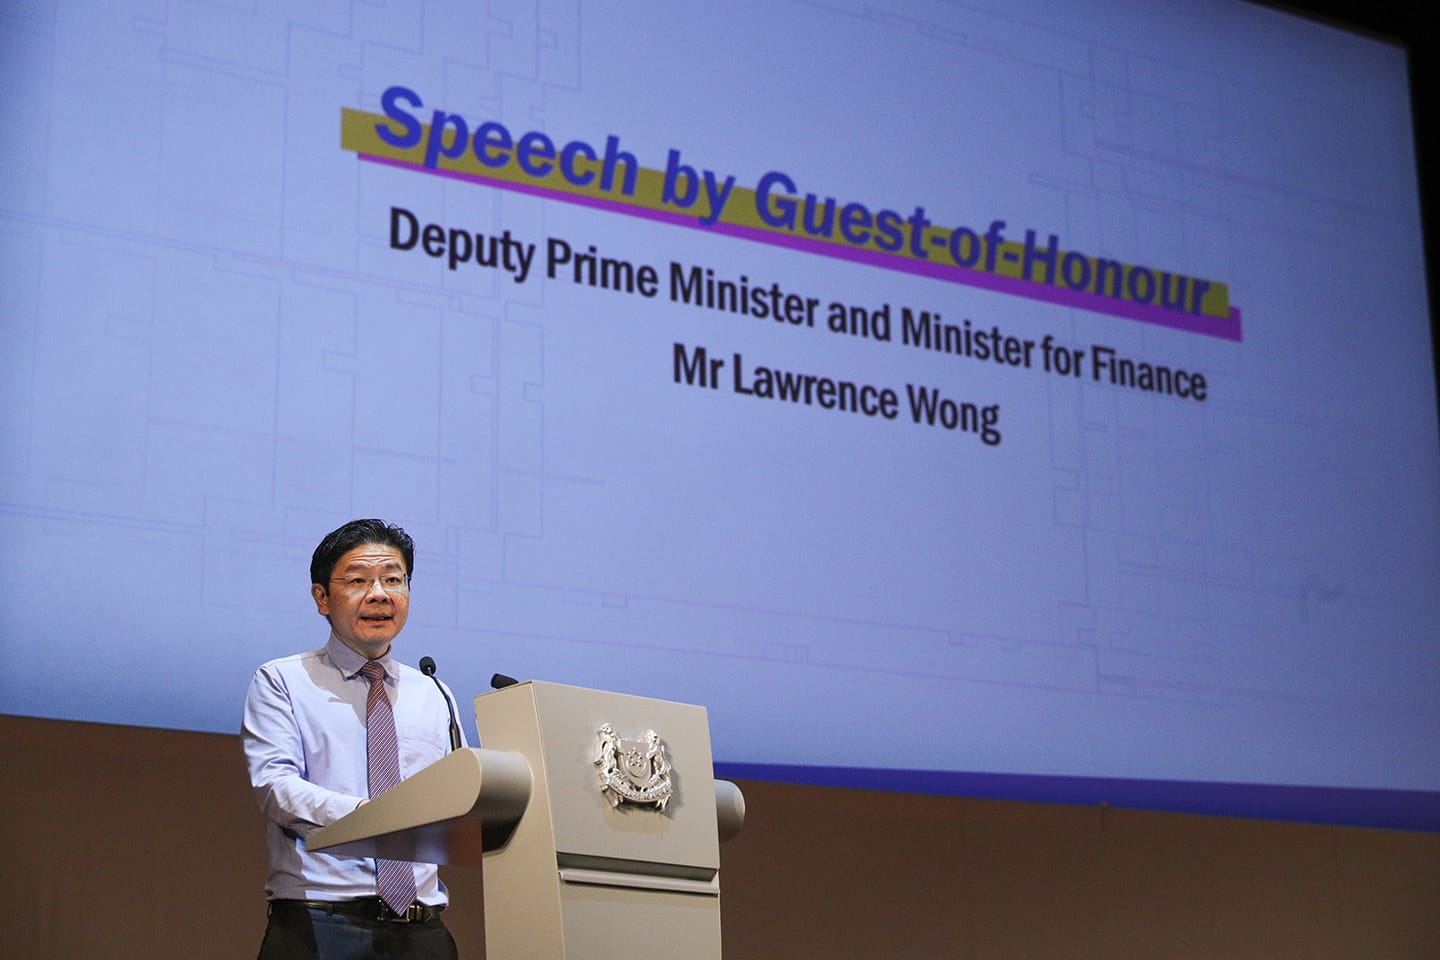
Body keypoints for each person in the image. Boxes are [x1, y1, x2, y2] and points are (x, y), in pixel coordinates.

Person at [242, 519, 465, 959]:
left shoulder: (434, 693)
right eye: (359, 580)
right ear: (321, 598)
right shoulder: (283, 680)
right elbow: (275, 789)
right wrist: (368, 817)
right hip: (322, 925)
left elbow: (455, 800)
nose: (379, 594)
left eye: (393, 580)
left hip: (424, 931)